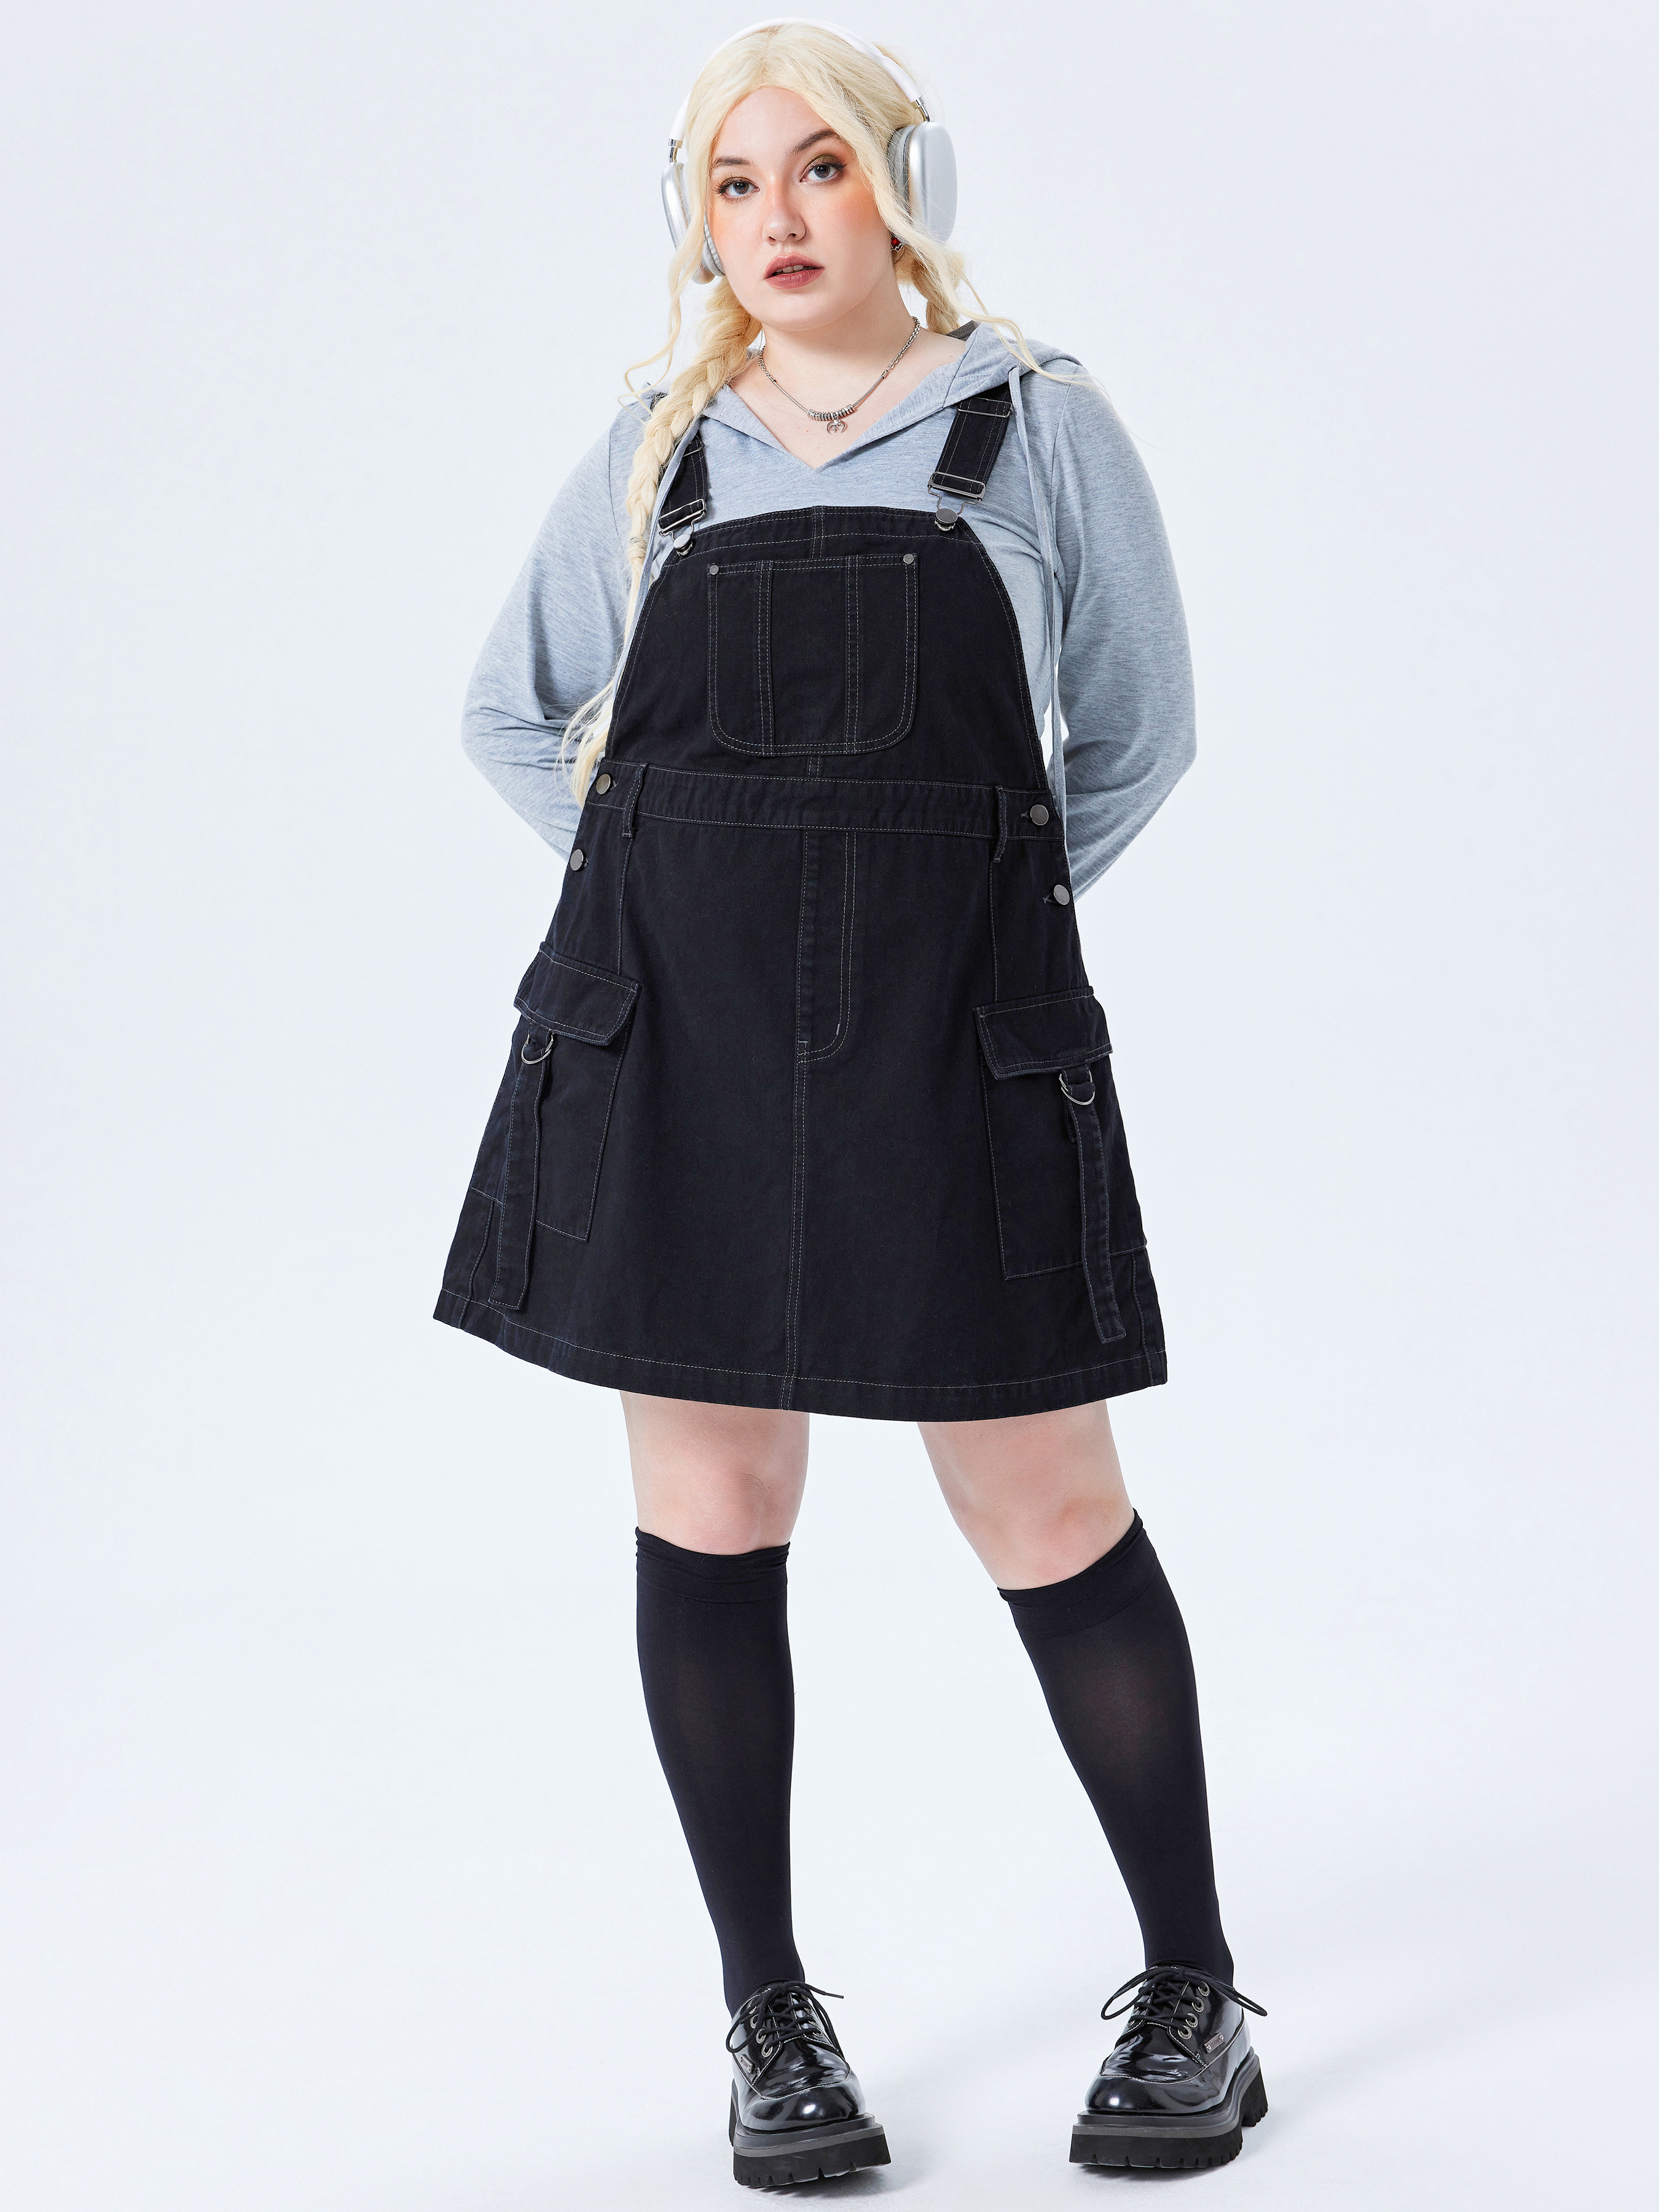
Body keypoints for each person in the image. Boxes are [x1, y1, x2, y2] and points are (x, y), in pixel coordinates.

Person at [436, 18, 1265, 2187]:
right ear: (694, 215)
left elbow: (1135, 738)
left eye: (819, 169)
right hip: (681, 1046)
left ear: (907, 184)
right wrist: (681, 900)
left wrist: (954, 922)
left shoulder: (1036, 425)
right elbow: (513, 714)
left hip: (953, 1036)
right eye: (735, 183)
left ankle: (1193, 1990)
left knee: (1046, 1510)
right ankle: (767, 2022)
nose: (778, 219)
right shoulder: (661, 445)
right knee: (714, 1507)